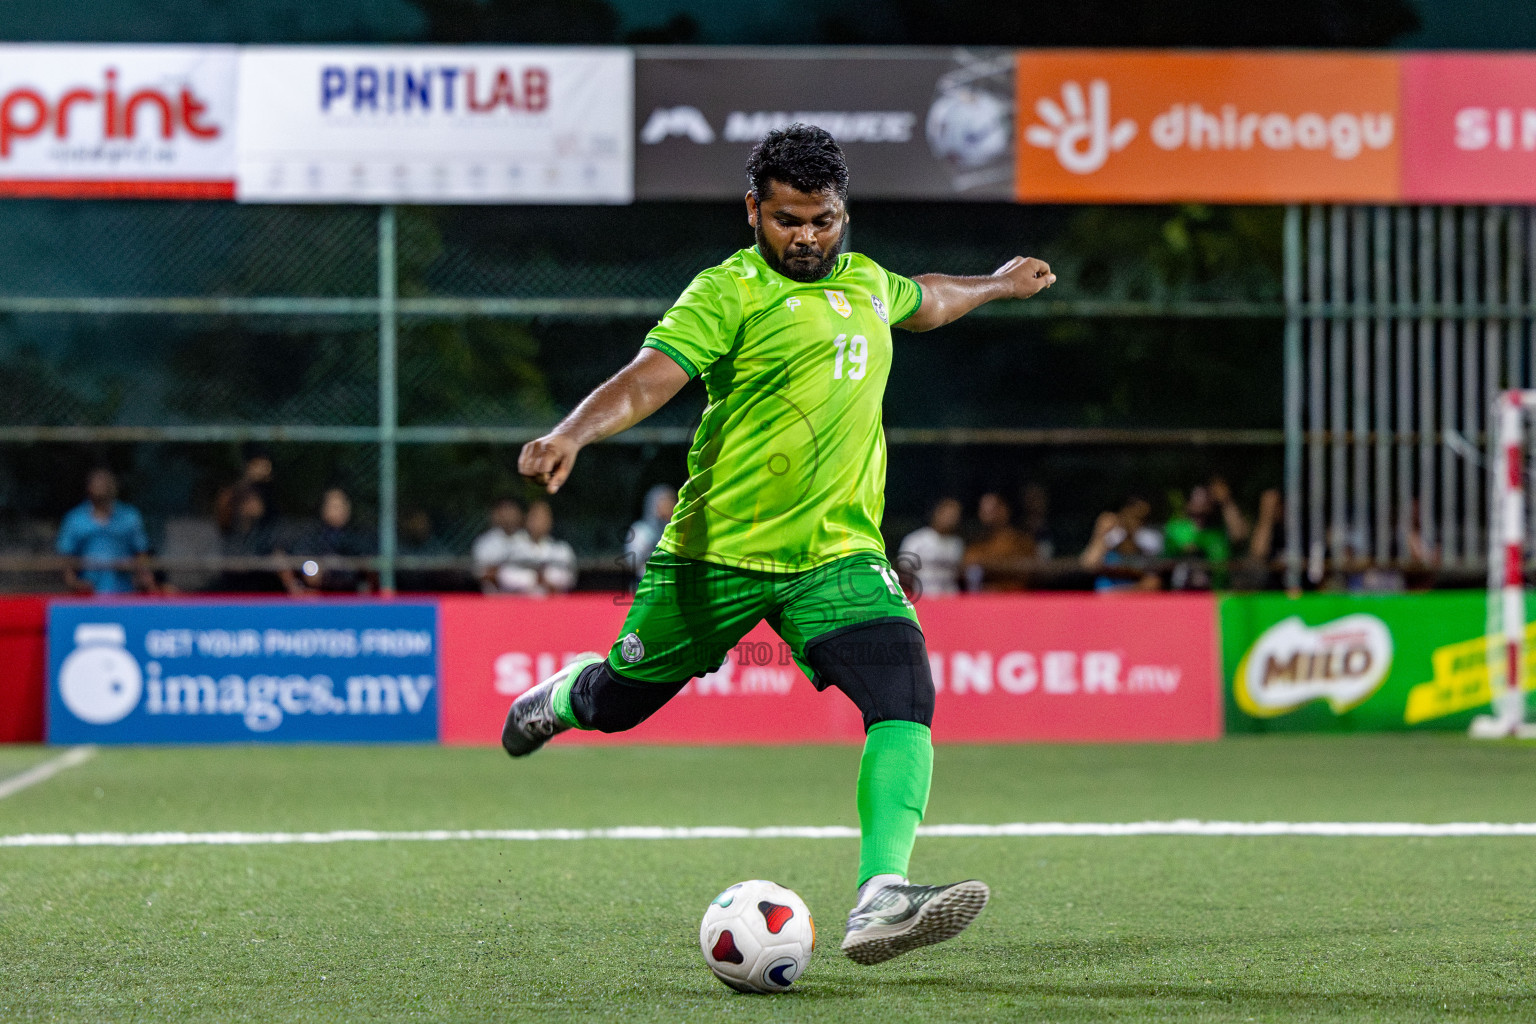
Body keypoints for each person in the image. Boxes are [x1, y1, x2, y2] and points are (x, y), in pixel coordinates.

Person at [501, 124, 1056, 964]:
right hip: (713, 555)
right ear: (753, 210)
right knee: (621, 703)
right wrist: (574, 433)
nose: (805, 237)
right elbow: (652, 375)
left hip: (835, 556)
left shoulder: (868, 283)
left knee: (905, 689)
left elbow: (930, 298)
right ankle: (566, 695)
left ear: (844, 214)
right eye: (788, 219)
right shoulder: (727, 290)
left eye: (823, 220)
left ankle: (880, 897)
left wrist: (1000, 285)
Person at [56, 467, 154, 595]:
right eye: (96, 484)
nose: (101, 488)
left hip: (124, 590)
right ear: (88, 488)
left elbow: (142, 552)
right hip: (88, 592)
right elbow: (66, 557)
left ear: (113, 487)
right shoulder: (75, 519)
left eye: (105, 484)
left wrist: (144, 577)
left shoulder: (129, 517)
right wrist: (74, 583)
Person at [280, 486, 376, 595]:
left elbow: (369, 568)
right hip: (319, 596)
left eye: (342, 505)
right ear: (324, 508)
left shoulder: (359, 535)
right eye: (334, 506)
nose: (339, 510)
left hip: (352, 596)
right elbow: (303, 565)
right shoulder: (312, 536)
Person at [492, 500, 578, 595]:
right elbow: (504, 575)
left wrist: (548, 579)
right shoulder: (513, 546)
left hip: (555, 604)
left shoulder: (561, 549)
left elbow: (570, 577)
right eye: (535, 517)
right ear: (527, 519)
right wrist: (534, 579)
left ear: (550, 520)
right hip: (520, 603)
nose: (539, 522)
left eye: (543, 517)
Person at [1080, 496, 1162, 592]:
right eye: (1135, 517)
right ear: (1124, 513)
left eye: (1143, 519)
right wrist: (1100, 534)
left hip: (1133, 596)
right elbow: (1088, 564)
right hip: (1106, 593)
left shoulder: (1149, 539)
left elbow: (1153, 575)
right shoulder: (1111, 536)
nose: (1138, 522)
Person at [210, 485, 281, 593]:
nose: (259, 503)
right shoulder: (230, 534)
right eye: (252, 500)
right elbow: (232, 564)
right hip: (234, 589)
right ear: (241, 506)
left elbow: (274, 558)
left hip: (261, 589)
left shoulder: (264, 532)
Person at [961, 491, 1035, 592]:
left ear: (1003, 510)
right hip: (983, 599)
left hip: (1014, 598)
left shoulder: (1020, 541)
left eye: (991, 510)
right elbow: (968, 565)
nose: (987, 515)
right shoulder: (976, 543)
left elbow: (1029, 571)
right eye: (983, 511)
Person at [897, 497, 964, 597]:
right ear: (937, 513)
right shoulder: (916, 540)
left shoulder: (957, 544)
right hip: (923, 595)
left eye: (954, 516)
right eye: (948, 514)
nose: (950, 519)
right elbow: (903, 574)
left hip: (950, 597)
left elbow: (961, 574)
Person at [625, 484, 678, 581]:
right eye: (664, 501)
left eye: (671, 501)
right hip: (647, 582)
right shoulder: (640, 530)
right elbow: (632, 561)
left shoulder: (677, 530)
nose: (669, 505)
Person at [471, 497, 525, 593]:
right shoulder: (484, 543)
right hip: (494, 597)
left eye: (511, 510)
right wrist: (499, 573)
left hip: (524, 597)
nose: (508, 515)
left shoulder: (526, 540)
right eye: (504, 510)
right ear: (495, 514)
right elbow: (480, 574)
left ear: (519, 514)